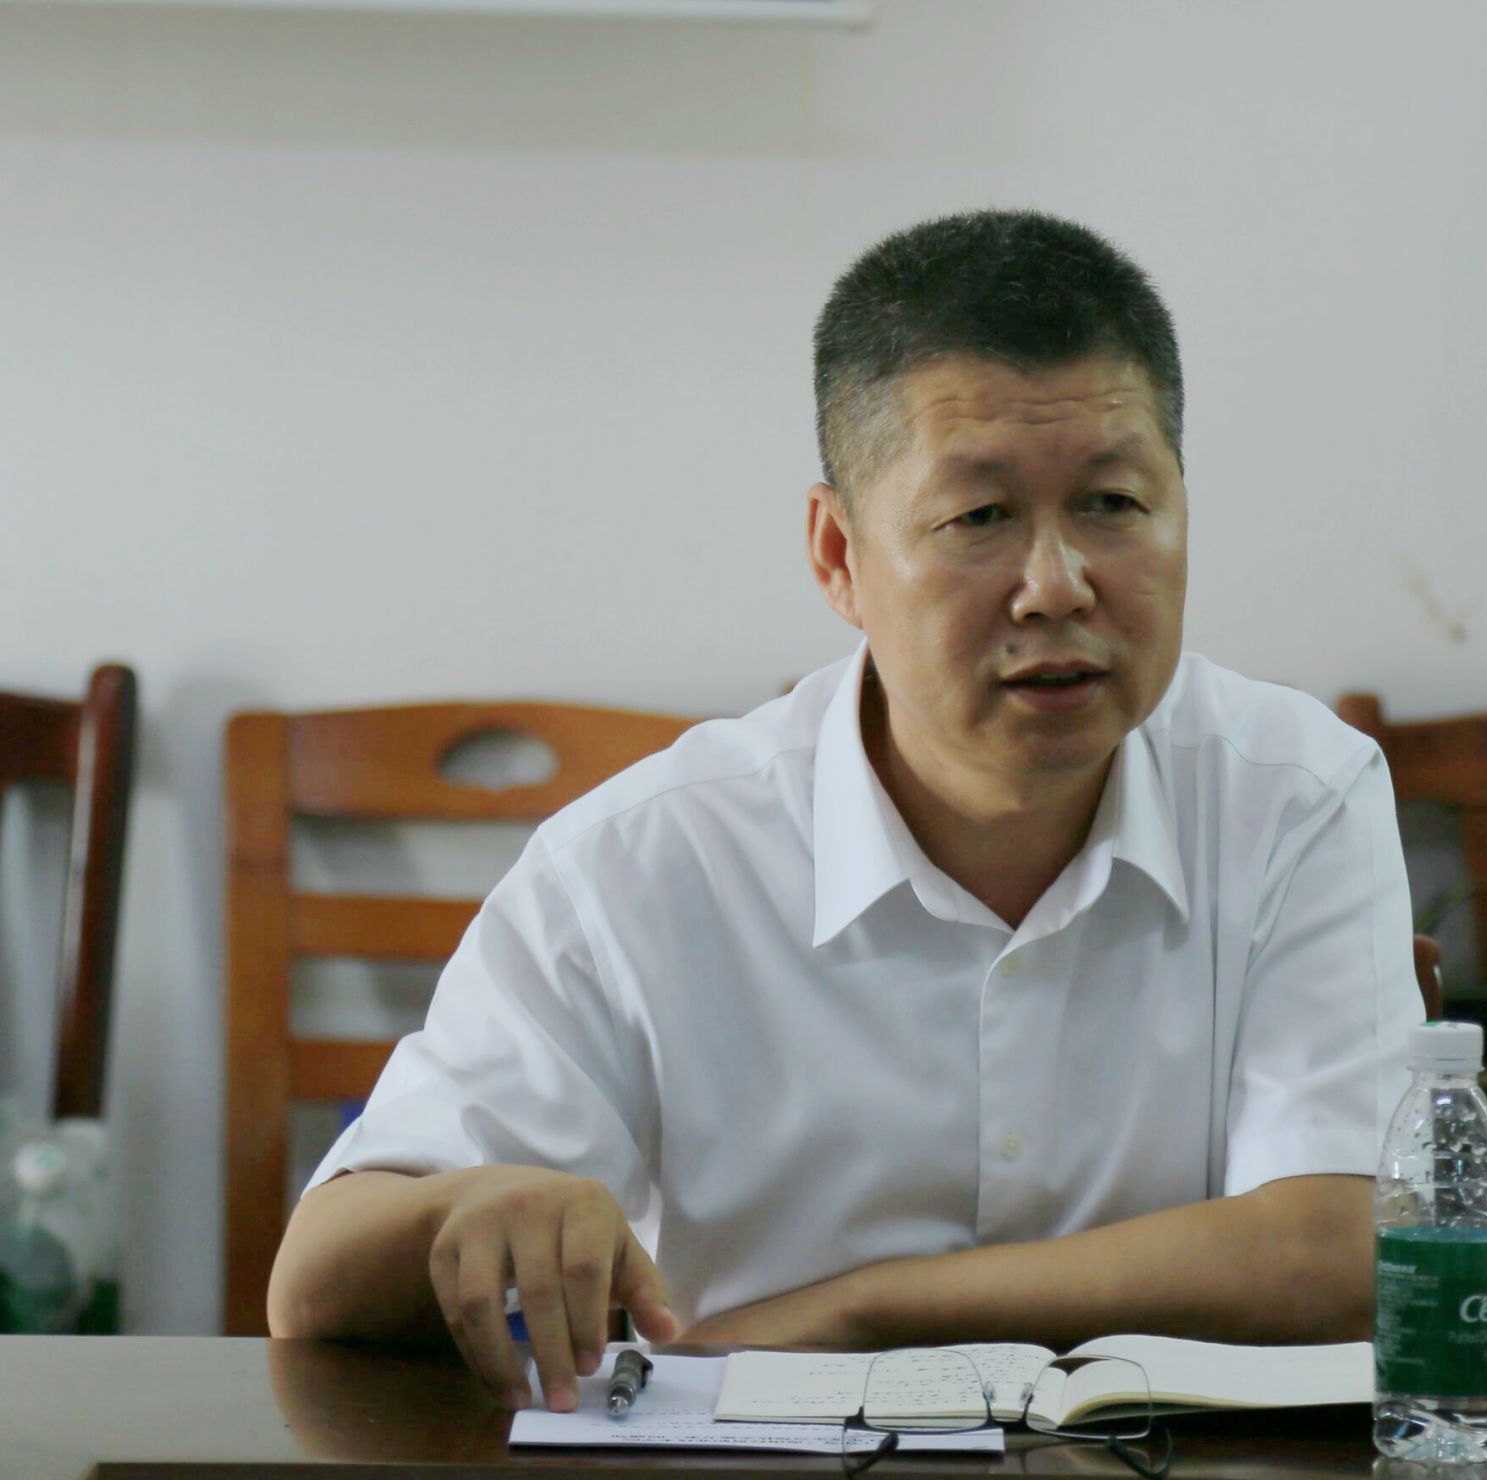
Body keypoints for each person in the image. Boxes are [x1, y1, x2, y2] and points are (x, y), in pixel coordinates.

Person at [267, 209, 1423, 1414]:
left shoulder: (1292, 792)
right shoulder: (647, 859)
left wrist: (856, 1314)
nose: (1056, 585)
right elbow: (312, 1286)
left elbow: (1340, 1249)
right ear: (836, 555)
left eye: (1114, 504)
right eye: (979, 518)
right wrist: (461, 1208)